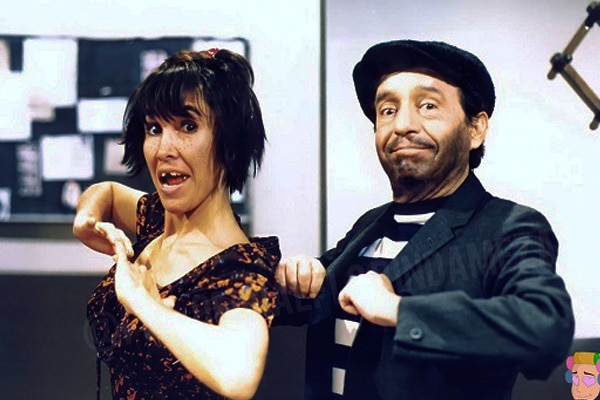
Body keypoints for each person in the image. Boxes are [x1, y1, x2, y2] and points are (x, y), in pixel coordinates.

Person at [275, 39, 575, 399]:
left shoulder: (509, 226)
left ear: (475, 129)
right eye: (387, 110)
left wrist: (399, 311)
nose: (402, 124)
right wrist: (296, 278)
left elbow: (546, 330)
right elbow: (300, 301)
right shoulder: (369, 225)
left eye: (428, 106)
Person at [73, 48, 280, 400]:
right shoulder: (159, 220)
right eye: (154, 128)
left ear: (230, 145)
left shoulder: (239, 269)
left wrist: (141, 302)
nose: (164, 149)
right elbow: (105, 192)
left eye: (188, 126)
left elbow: (238, 376)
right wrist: (85, 220)